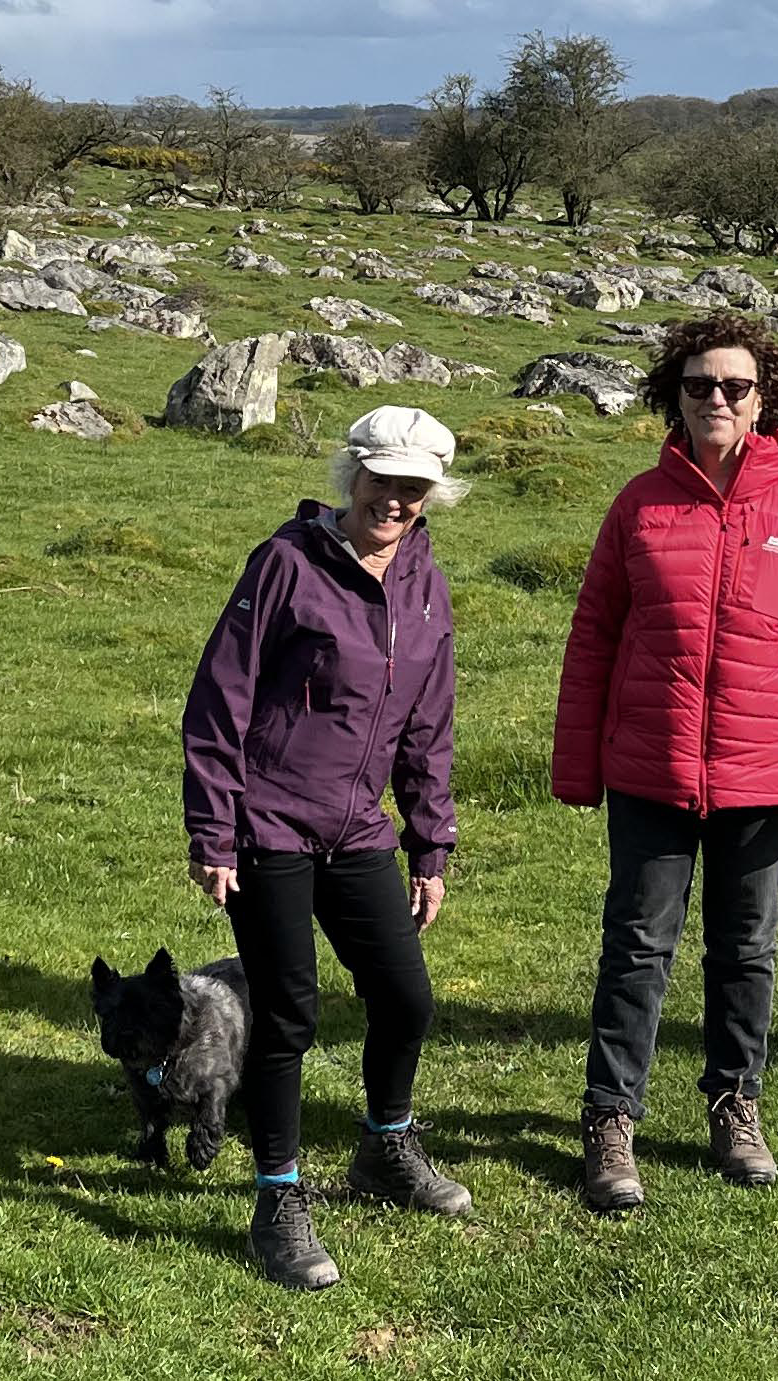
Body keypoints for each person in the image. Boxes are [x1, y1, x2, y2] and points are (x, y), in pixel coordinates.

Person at [553, 313, 778, 1212]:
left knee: (746, 949)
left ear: (765, 398)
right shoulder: (639, 504)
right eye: (699, 385)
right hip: (651, 768)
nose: (717, 399)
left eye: (735, 386)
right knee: (636, 947)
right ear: (676, 395)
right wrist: (578, 767)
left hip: (765, 775)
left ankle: (736, 1104)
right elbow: (593, 638)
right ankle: (610, 1120)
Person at [182, 404, 469, 1290]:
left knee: (406, 998)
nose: (396, 498)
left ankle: (385, 1148)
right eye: (384, 479)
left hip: (358, 832)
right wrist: (213, 828)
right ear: (354, 474)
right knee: (289, 1017)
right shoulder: (284, 564)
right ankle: (278, 1196)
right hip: (268, 825)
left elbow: (428, 723)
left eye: (414, 486)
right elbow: (220, 698)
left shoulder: (425, 582)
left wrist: (429, 844)